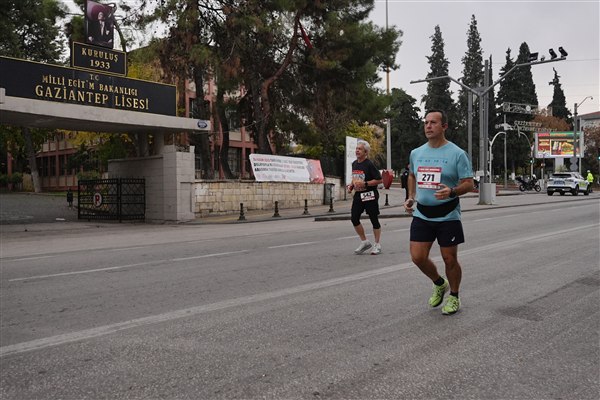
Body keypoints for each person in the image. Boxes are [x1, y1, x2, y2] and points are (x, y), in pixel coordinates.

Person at [403, 110, 474, 315]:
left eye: (433, 122)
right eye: (426, 122)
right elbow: (412, 175)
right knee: (418, 257)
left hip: (448, 214)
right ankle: (439, 283)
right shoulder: (416, 153)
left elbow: (469, 183)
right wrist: (411, 196)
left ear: (444, 127)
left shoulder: (457, 153)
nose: (428, 126)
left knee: (449, 259)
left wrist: (452, 191)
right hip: (422, 214)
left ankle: (454, 296)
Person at [347, 140, 383, 255]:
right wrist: (351, 186)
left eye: (360, 149)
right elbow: (355, 178)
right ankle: (365, 242)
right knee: (354, 218)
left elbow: (379, 180)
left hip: (370, 194)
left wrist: (365, 184)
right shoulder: (354, 163)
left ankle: (377, 244)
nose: (357, 151)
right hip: (358, 195)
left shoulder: (369, 164)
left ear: (366, 152)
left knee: (373, 219)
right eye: (356, 149)